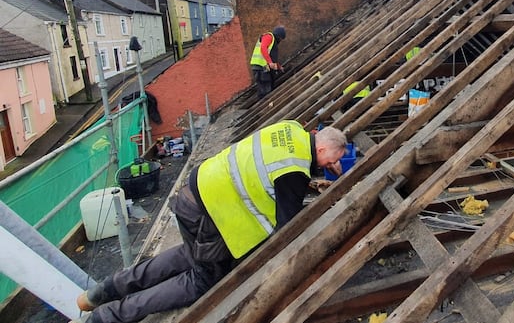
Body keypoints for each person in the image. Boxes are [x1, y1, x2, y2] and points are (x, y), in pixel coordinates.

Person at [71, 121, 348, 323]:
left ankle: (102, 291)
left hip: (197, 190)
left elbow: (269, 167)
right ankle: (109, 317)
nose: (331, 166)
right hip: (212, 214)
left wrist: (313, 177)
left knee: (187, 255)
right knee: (201, 280)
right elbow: (287, 228)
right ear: (321, 147)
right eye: (331, 161)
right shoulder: (295, 170)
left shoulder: (292, 129)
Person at [250, 26, 286, 98]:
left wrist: (279, 67)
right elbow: (263, 48)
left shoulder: (273, 43)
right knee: (265, 88)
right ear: (279, 36)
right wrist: (270, 62)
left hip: (263, 67)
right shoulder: (269, 37)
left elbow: (272, 58)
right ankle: (265, 102)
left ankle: (267, 101)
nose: (280, 41)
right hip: (260, 67)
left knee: (268, 86)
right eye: (281, 39)